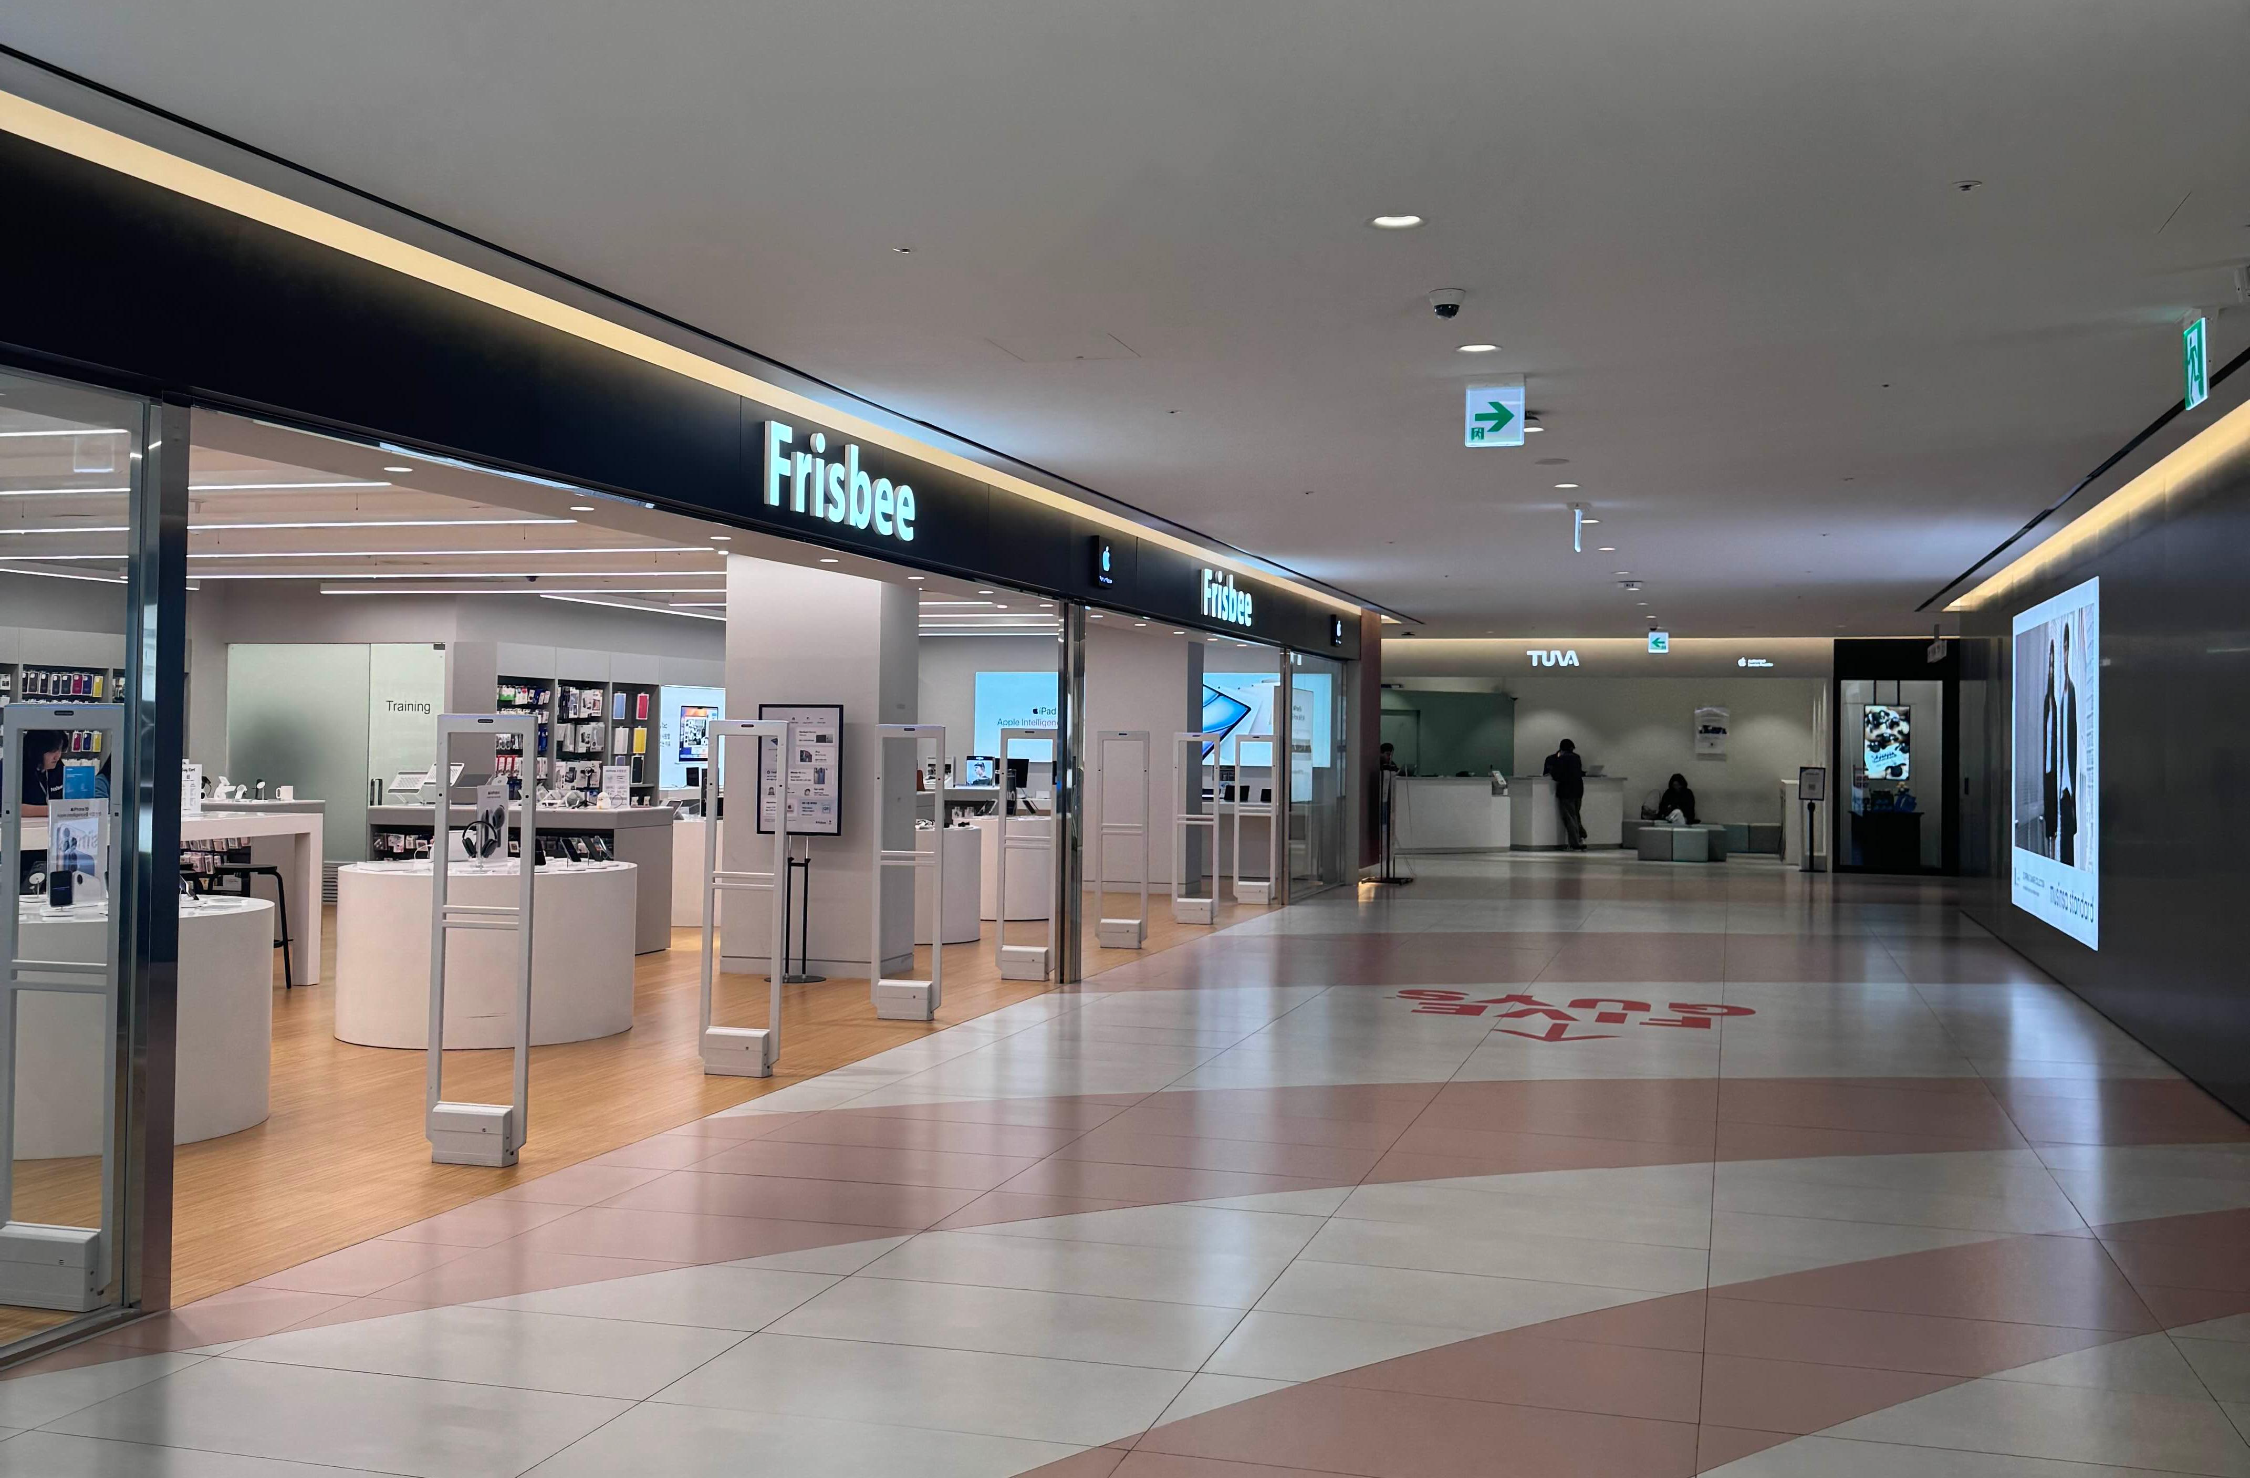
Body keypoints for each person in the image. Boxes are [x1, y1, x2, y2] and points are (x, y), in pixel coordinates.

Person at [1543, 738, 1587, 850]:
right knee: (1576, 815)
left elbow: (1556, 775)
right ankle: (1581, 836)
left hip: (1566, 791)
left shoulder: (1560, 759)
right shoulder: (1577, 758)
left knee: (1570, 817)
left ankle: (1575, 842)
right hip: (1578, 790)